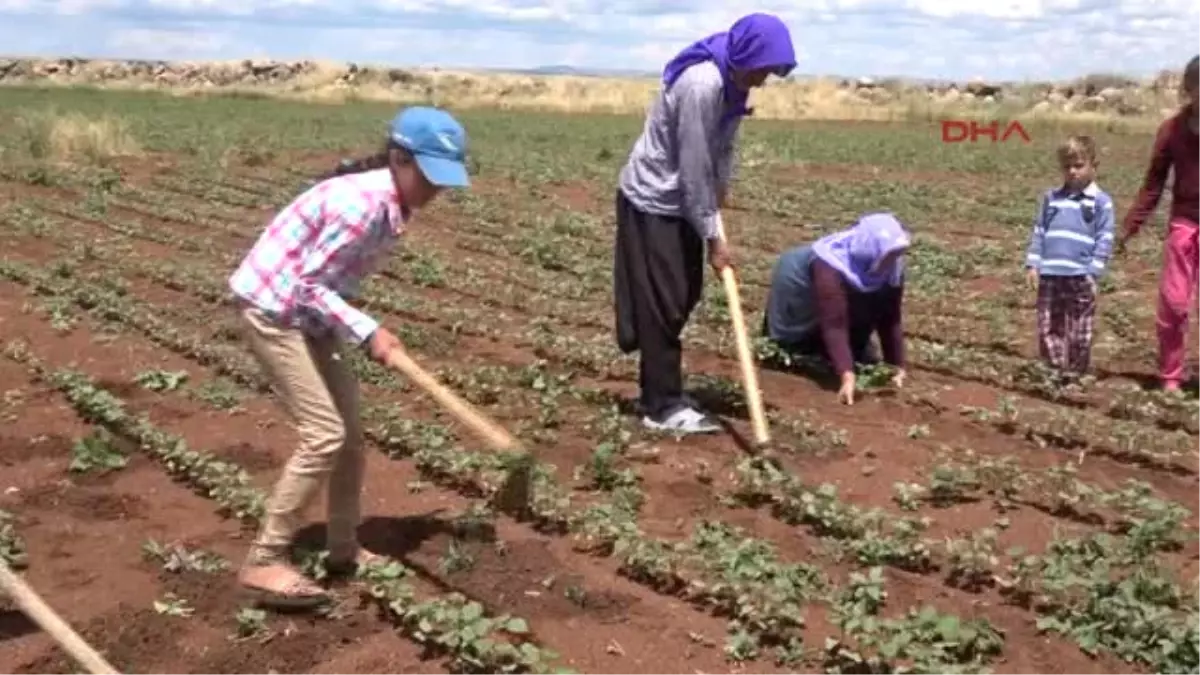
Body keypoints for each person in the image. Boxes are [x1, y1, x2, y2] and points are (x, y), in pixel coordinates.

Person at [227, 106, 470, 608]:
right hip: (274, 310)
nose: (436, 190)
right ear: (399, 158)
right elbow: (306, 283)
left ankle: (344, 549)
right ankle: (264, 560)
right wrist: (368, 331)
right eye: (429, 176)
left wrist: (357, 325)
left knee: (352, 438)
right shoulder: (361, 204)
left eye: (443, 180)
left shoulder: (391, 204)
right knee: (325, 435)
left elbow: (326, 284)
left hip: (309, 315)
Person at [613, 13, 797, 433]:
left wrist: (722, 188)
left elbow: (723, 145)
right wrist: (714, 238)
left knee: (684, 294)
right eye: (764, 67)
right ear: (747, 55)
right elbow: (693, 168)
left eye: (774, 70)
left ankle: (661, 389)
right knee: (664, 302)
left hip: (681, 203)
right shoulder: (702, 85)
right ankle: (661, 406)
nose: (767, 77)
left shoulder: (732, 83)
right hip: (654, 200)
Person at [762, 213, 910, 405]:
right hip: (798, 286)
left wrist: (896, 366)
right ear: (869, 248)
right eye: (888, 255)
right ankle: (805, 347)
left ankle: (840, 352)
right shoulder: (829, 265)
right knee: (795, 344)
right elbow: (834, 323)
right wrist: (847, 376)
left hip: (838, 292)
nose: (892, 260)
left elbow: (890, 317)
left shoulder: (892, 266)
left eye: (895, 254)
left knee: (862, 327)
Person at [1117, 55, 1200, 392]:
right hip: (1184, 226)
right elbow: (1153, 184)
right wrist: (1129, 227)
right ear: (1189, 90)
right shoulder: (1172, 131)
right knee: (1175, 303)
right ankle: (1170, 375)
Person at [1023, 135, 1115, 382]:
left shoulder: (1100, 202)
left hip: (1080, 275)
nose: (1072, 171)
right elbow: (1039, 230)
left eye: (1079, 165)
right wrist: (1033, 263)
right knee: (1047, 326)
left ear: (1094, 166)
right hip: (1051, 273)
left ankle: (1075, 374)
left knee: (1079, 330)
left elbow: (1104, 238)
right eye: (1067, 167)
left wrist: (1093, 272)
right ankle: (1053, 370)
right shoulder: (1051, 198)